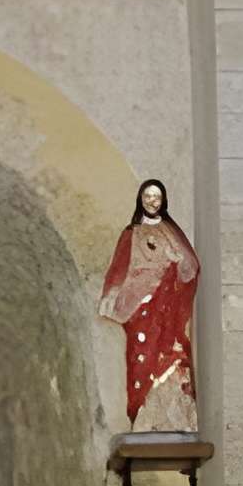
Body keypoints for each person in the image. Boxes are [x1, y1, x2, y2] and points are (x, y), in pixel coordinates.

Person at [98, 179, 200, 432]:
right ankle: (142, 415)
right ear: (140, 200)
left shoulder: (170, 232)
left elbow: (190, 268)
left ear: (163, 200)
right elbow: (119, 269)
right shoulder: (132, 233)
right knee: (141, 355)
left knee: (171, 353)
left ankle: (173, 415)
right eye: (147, 196)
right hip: (138, 307)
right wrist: (111, 296)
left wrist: (177, 264)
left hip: (166, 306)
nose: (152, 201)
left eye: (156, 196)